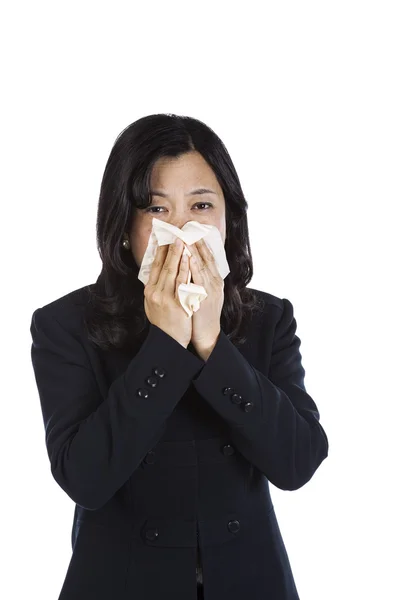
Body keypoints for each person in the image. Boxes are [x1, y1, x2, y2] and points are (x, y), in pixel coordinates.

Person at [30, 113, 329, 600]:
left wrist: (212, 344)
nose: (183, 231)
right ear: (124, 225)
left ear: (228, 219)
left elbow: (297, 463)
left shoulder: (268, 318)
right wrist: (166, 344)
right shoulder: (65, 325)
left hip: (251, 582)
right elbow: (85, 478)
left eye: (202, 205)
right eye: (156, 209)